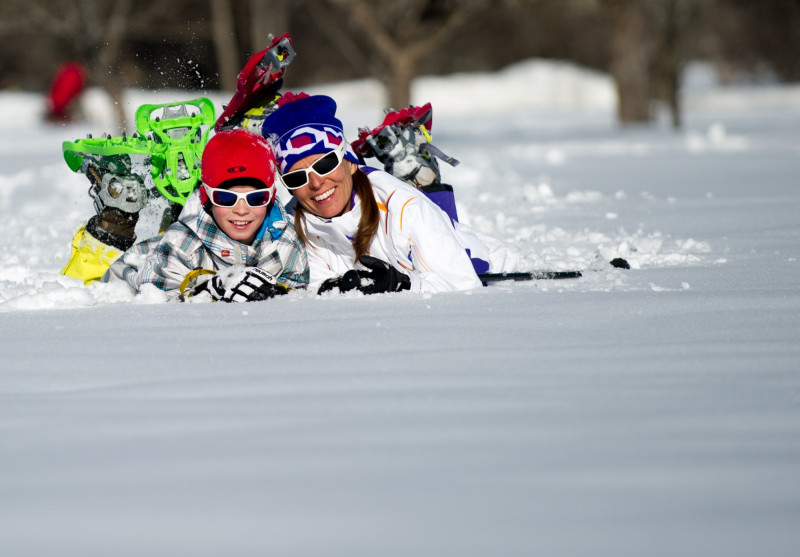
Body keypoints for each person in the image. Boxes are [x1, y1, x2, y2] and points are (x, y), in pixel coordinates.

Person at [259, 94, 518, 295]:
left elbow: (463, 285)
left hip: (475, 261)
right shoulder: (295, 222)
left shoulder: (404, 207)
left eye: (325, 164)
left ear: (350, 162)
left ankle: (420, 171)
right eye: (297, 177)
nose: (316, 183)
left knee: (428, 219)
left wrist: (402, 284)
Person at [104, 128, 308, 302]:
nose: (242, 209)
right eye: (226, 198)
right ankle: (113, 219)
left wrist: (278, 293)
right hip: (131, 271)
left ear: (271, 197)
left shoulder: (285, 241)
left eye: (256, 198)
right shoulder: (181, 244)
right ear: (207, 197)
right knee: (111, 239)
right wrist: (205, 291)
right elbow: (156, 299)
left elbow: (298, 292)